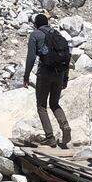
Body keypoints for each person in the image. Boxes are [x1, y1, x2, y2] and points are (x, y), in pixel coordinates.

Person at [24, 14, 71, 148]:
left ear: (36, 24)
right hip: (59, 73)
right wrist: (65, 78)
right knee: (55, 103)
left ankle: (50, 137)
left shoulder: (35, 35)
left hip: (44, 73)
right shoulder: (57, 34)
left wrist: (26, 76)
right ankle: (65, 125)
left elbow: (31, 57)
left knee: (41, 106)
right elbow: (67, 57)